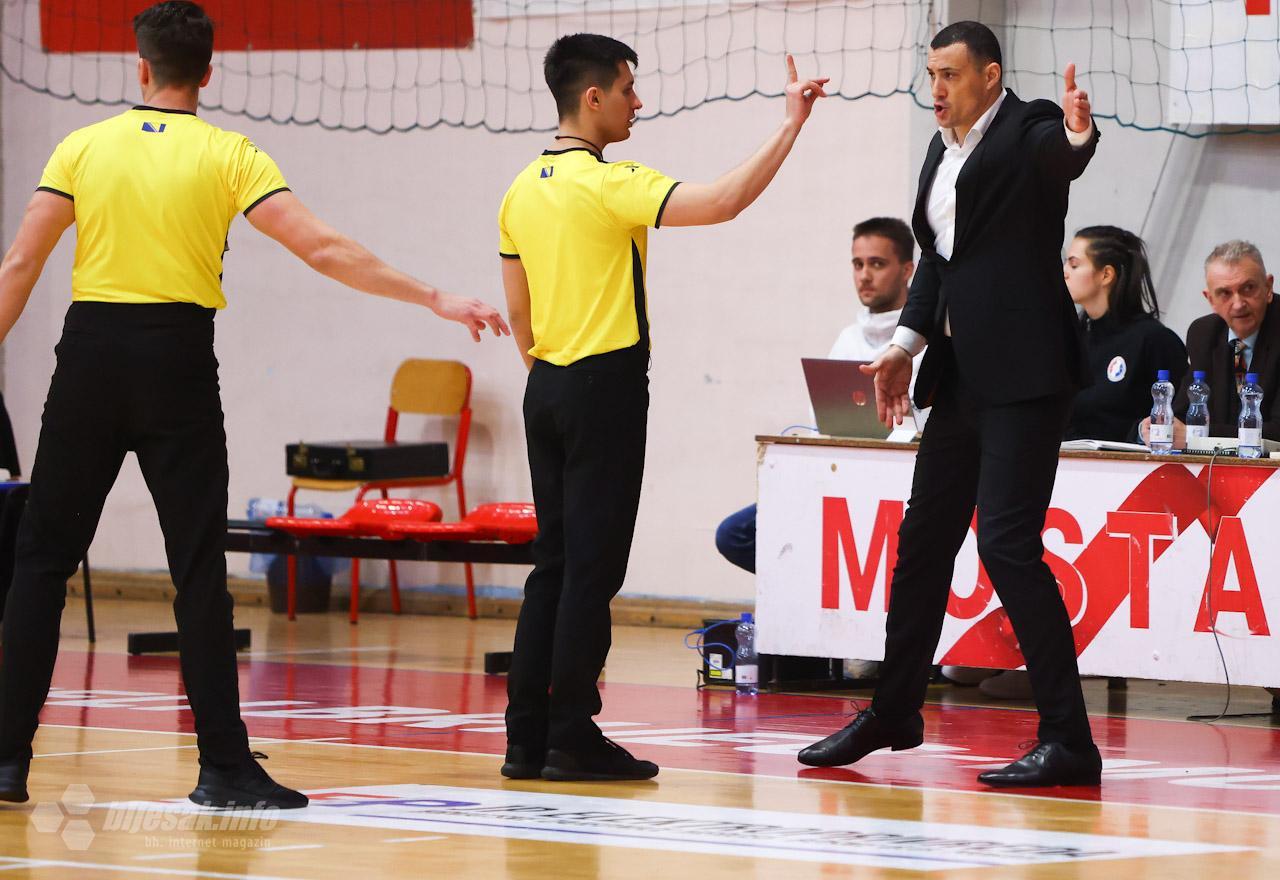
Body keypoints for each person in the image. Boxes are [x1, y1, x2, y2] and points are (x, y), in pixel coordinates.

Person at [0, 1, 508, 808]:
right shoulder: (230, 154)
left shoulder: (81, 147)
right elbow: (324, 249)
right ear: (208, 71)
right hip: (177, 361)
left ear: (140, 66)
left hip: (90, 357)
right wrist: (435, 297)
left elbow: (21, 265)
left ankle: (5, 764)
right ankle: (224, 768)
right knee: (198, 570)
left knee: (41, 561)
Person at [499, 33, 826, 782]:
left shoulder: (519, 188)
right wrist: (790, 126)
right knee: (592, 570)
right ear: (593, 98)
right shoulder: (610, 183)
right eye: (627, 89)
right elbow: (724, 202)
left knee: (552, 564)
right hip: (603, 385)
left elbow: (518, 313)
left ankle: (525, 740)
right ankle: (571, 735)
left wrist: (552, 379)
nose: (637, 102)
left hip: (544, 386)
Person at [798, 21, 1104, 788]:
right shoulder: (942, 150)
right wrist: (905, 345)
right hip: (962, 377)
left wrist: (1079, 130)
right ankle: (894, 710)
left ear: (989, 77)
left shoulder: (1029, 127)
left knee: (1006, 545)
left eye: (950, 75)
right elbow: (937, 261)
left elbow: (1063, 154)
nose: (935, 88)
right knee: (924, 541)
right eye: (930, 73)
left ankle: (1069, 739)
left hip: (1027, 377)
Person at [971, 225, 1188, 701]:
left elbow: (1175, 421)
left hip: (1118, 488)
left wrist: (1139, 432)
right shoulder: (1064, 334)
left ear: (1106, 274)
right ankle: (996, 650)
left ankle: (1049, 666)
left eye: (1074, 263)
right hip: (1054, 470)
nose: (1064, 272)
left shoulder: (1154, 340)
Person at [715, 217, 920, 576]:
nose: (864, 275)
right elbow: (823, 424)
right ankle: (814, 585)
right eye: (858, 264)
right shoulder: (846, 339)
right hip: (839, 476)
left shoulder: (923, 343)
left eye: (877, 264)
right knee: (734, 534)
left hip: (904, 483)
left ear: (907, 270)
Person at [1140, 240, 1280, 447]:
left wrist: (1196, 437)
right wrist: (1158, 427)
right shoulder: (1204, 334)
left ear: (1268, 287)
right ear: (1210, 299)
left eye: (1248, 288)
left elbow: (1277, 431)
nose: (1238, 304)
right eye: (1225, 293)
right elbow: (1183, 413)